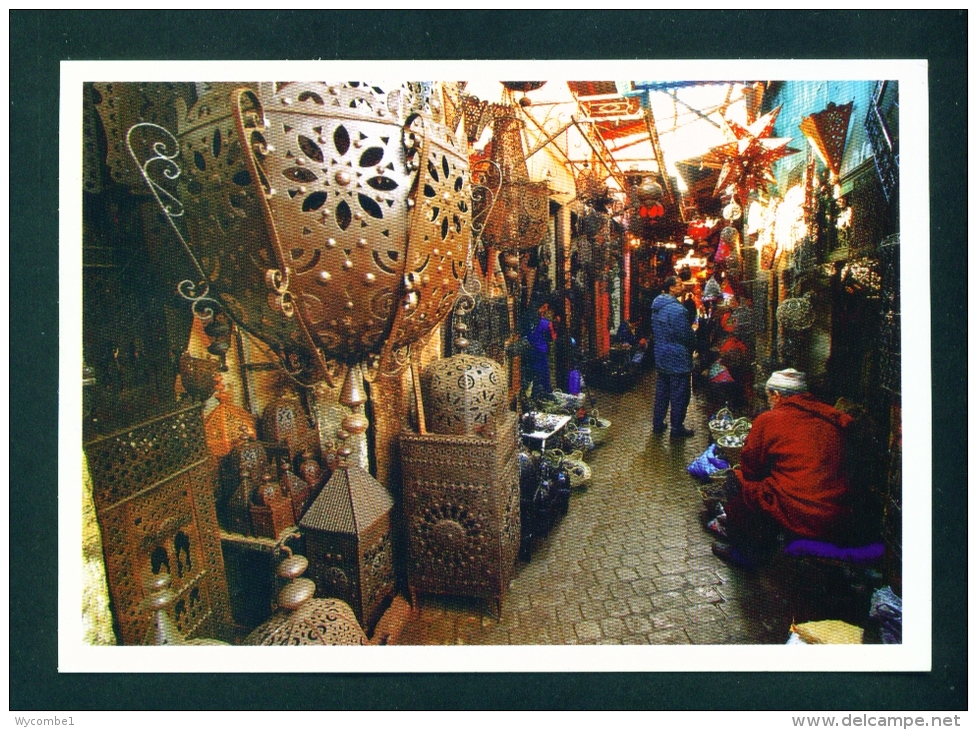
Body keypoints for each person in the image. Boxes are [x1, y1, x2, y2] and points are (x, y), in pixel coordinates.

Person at [709, 368, 856, 570]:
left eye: (769, 396)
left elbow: (750, 468)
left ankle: (745, 554)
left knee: (738, 480)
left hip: (803, 511)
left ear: (776, 395)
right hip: (838, 509)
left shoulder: (770, 419)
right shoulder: (830, 416)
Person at [651, 275, 696, 438]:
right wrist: (694, 344)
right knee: (679, 394)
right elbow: (685, 334)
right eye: (679, 284)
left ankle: (658, 423)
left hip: (661, 355)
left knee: (662, 391)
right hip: (677, 358)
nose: (682, 286)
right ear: (671, 288)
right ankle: (676, 428)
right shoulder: (677, 310)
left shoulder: (657, 305)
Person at [526, 301, 556, 394]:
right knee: (543, 375)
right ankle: (544, 394)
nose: (546, 309)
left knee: (532, 375)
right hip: (541, 351)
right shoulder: (546, 323)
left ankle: (533, 394)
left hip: (529, 350)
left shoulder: (528, 319)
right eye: (545, 307)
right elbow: (553, 337)